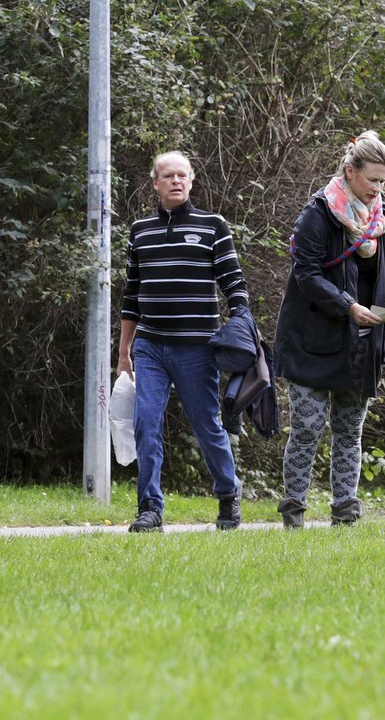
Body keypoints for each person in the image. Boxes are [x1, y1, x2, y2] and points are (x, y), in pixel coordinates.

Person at [273, 131, 385, 528]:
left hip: (363, 345)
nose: (378, 188)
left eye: (384, 181)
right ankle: (293, 513)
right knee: (306, 428)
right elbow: (305, 274)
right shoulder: (318, 214)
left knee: (348, 431)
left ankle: (345, 514)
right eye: (372, 179)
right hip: (311, 340)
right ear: (350, 171)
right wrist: (347, 306)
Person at [117, 151, 248, 532]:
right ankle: (150, 510)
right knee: (145, 423)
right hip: (150, 346)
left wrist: (242, 318)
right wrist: (124, 352)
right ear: (155, 183)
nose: (176, 181)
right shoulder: (140, 230)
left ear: (191, 181)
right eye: (168, 176)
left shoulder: (213, 226)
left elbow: (233, 283)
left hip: (197, 347)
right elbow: (131, 295)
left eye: (182, 176)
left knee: (206, 424)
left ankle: (228, 494)